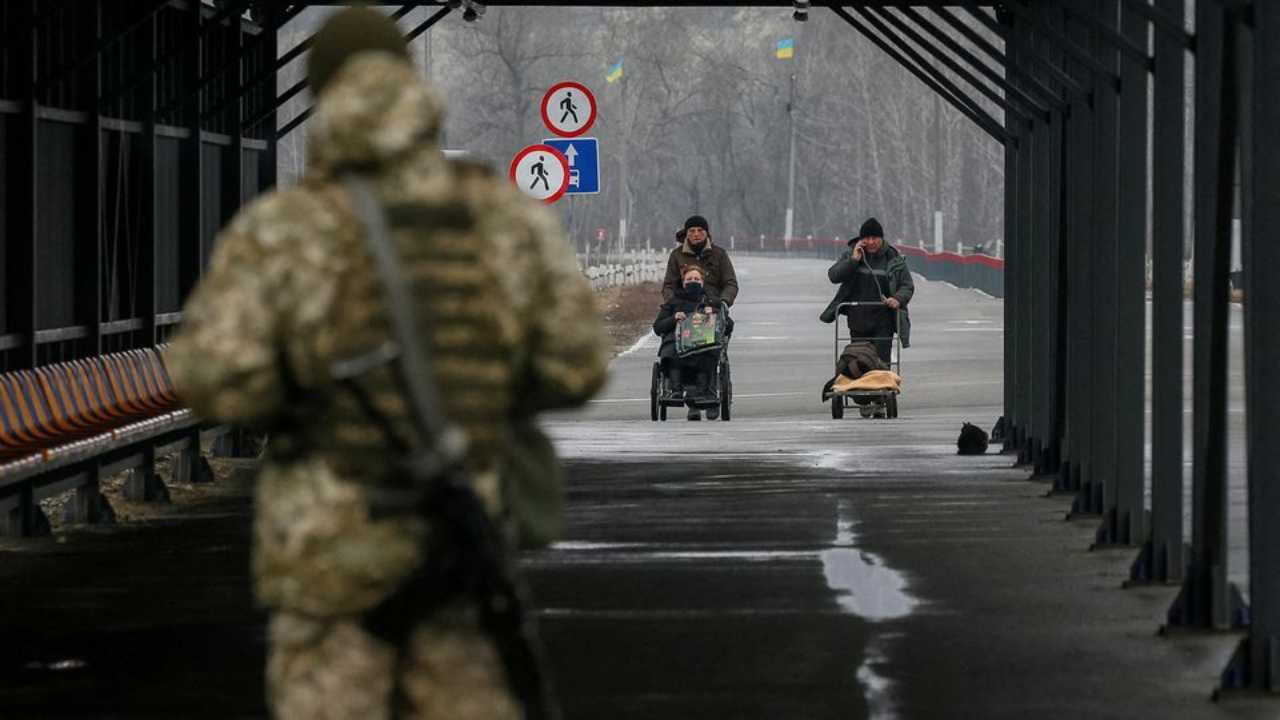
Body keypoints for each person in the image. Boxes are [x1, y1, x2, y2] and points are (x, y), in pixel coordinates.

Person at [165, 8, 609, 720]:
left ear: (321, 92)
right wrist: (484, 388)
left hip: (325, 563)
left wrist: (305, 386)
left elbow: (214, 380)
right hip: (464, 544)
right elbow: (578, 363)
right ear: (411, 84)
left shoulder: (281, 229)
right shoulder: (500, 217)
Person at [820, 217, 914, 364]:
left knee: (881, 364)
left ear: (881, 238)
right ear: (861, 239)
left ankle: (883, 386)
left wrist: (897, 299)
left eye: (874, 238)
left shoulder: (893, 258)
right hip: (858, 320)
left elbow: (907, 285)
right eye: (867, 238)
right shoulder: (851, 254)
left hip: (884, 321)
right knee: (859, 363)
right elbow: (834, 276)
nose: (870, 242)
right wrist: (853, 261)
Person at [653, 265, 722, 421]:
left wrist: (714, 315)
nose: (693, 282)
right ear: (683, 282)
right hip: (678, 340)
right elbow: (658, 327)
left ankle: (702, 391)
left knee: (708, 352)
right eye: (689, 279)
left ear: (702, 282)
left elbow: (728, 325)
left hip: (702, 341)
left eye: (696, 279)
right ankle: (675, 389)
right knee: (671, 349)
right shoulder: (673, 302)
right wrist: (674, 318)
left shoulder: (710, 302)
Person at [661, 215, 739, 308]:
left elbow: (730, 283)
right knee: (661, 322)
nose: (696, 234)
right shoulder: (677, 255)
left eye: (700, 230)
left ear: (707, 233)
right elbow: (668, 285)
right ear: (686, 233)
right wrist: (673, 303)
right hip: (683, 308)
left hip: (714, 307)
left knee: (729, 323)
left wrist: (724, 301)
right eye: (692, 231)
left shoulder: (719, 254)